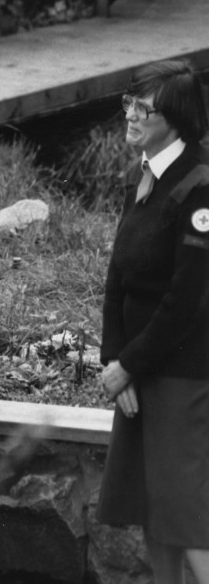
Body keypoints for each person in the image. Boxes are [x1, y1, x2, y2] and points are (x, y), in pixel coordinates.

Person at [96, 60, 209, 584]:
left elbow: (191, 298)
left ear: (178, 119)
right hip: (142, 370)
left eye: (145, 108)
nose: (132, 115)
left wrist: (129, 364)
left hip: (185, 375)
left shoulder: (200, 187)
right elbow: (119, 275)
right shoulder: (139, 173)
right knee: (154, 513)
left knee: (189, 520)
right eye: (130, 103)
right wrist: (114, 361)